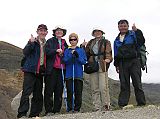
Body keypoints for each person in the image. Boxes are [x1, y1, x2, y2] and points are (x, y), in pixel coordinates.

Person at [17, 24, 48, 118]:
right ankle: (22, 114)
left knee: (38, 94)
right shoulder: (33, 42)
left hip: (40, 72)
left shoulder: (47, 44)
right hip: (30, 70)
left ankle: (34, 114)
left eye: (44, 31)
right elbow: (25, 52)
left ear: (46, 33)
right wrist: (30, 42)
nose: (42, 32)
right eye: (40, 31)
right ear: (37, 32)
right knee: (26, 93)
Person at [113, 19, 146, 108]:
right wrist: (116, 65)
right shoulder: (116, 40)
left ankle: (141, 103)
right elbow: (116, 53)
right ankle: (123, 104)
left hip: (134, 61)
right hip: (122, 63)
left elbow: (141, 41)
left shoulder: (133, 34)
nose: (123, 27)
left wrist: (137, 31)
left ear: (127, 26)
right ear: (118, 27)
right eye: (121, 26)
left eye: (124, 26)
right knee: (124, 84)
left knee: (137, 82)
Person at [81, 28, 112, 111]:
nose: (97, 33)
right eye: (95, 32)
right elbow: (86, 53)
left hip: (102, 65)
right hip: (92, 66)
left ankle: (106, 105)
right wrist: (82, 46)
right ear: (93, 34)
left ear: (102, 33)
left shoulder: (106, 42)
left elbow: (108, 52)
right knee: (94, 87)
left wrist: (108, 59)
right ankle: (96, 107)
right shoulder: (91, 42)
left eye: (99, 31)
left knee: (103, 87)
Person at [44, 26, 68, 115]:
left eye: (60, 31)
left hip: (62, 69)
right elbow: (46, 51)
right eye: (57, 31)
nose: (59, 32)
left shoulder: (65, 42)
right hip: (52, 69)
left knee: (59, 90)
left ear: (63, 32)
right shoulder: (50, 41)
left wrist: (63, 54)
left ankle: (56, 110)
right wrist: (56, 50)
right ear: (55, 32)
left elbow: (67, 54)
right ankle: (49, 110)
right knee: (49, 90)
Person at [63, 33, 87, 112]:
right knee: (69, 92)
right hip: (69, 74)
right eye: (71, 40)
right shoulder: (67, 50)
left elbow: (84, 61)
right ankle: (70, 108)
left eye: (74, 39)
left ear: (77, 40)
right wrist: (71, 55)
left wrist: (77, 56)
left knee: (78, 92)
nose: (73, 41)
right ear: (69, 41)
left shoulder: (81, 50)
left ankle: (77, 109)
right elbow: (65, 61)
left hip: (78, 74)